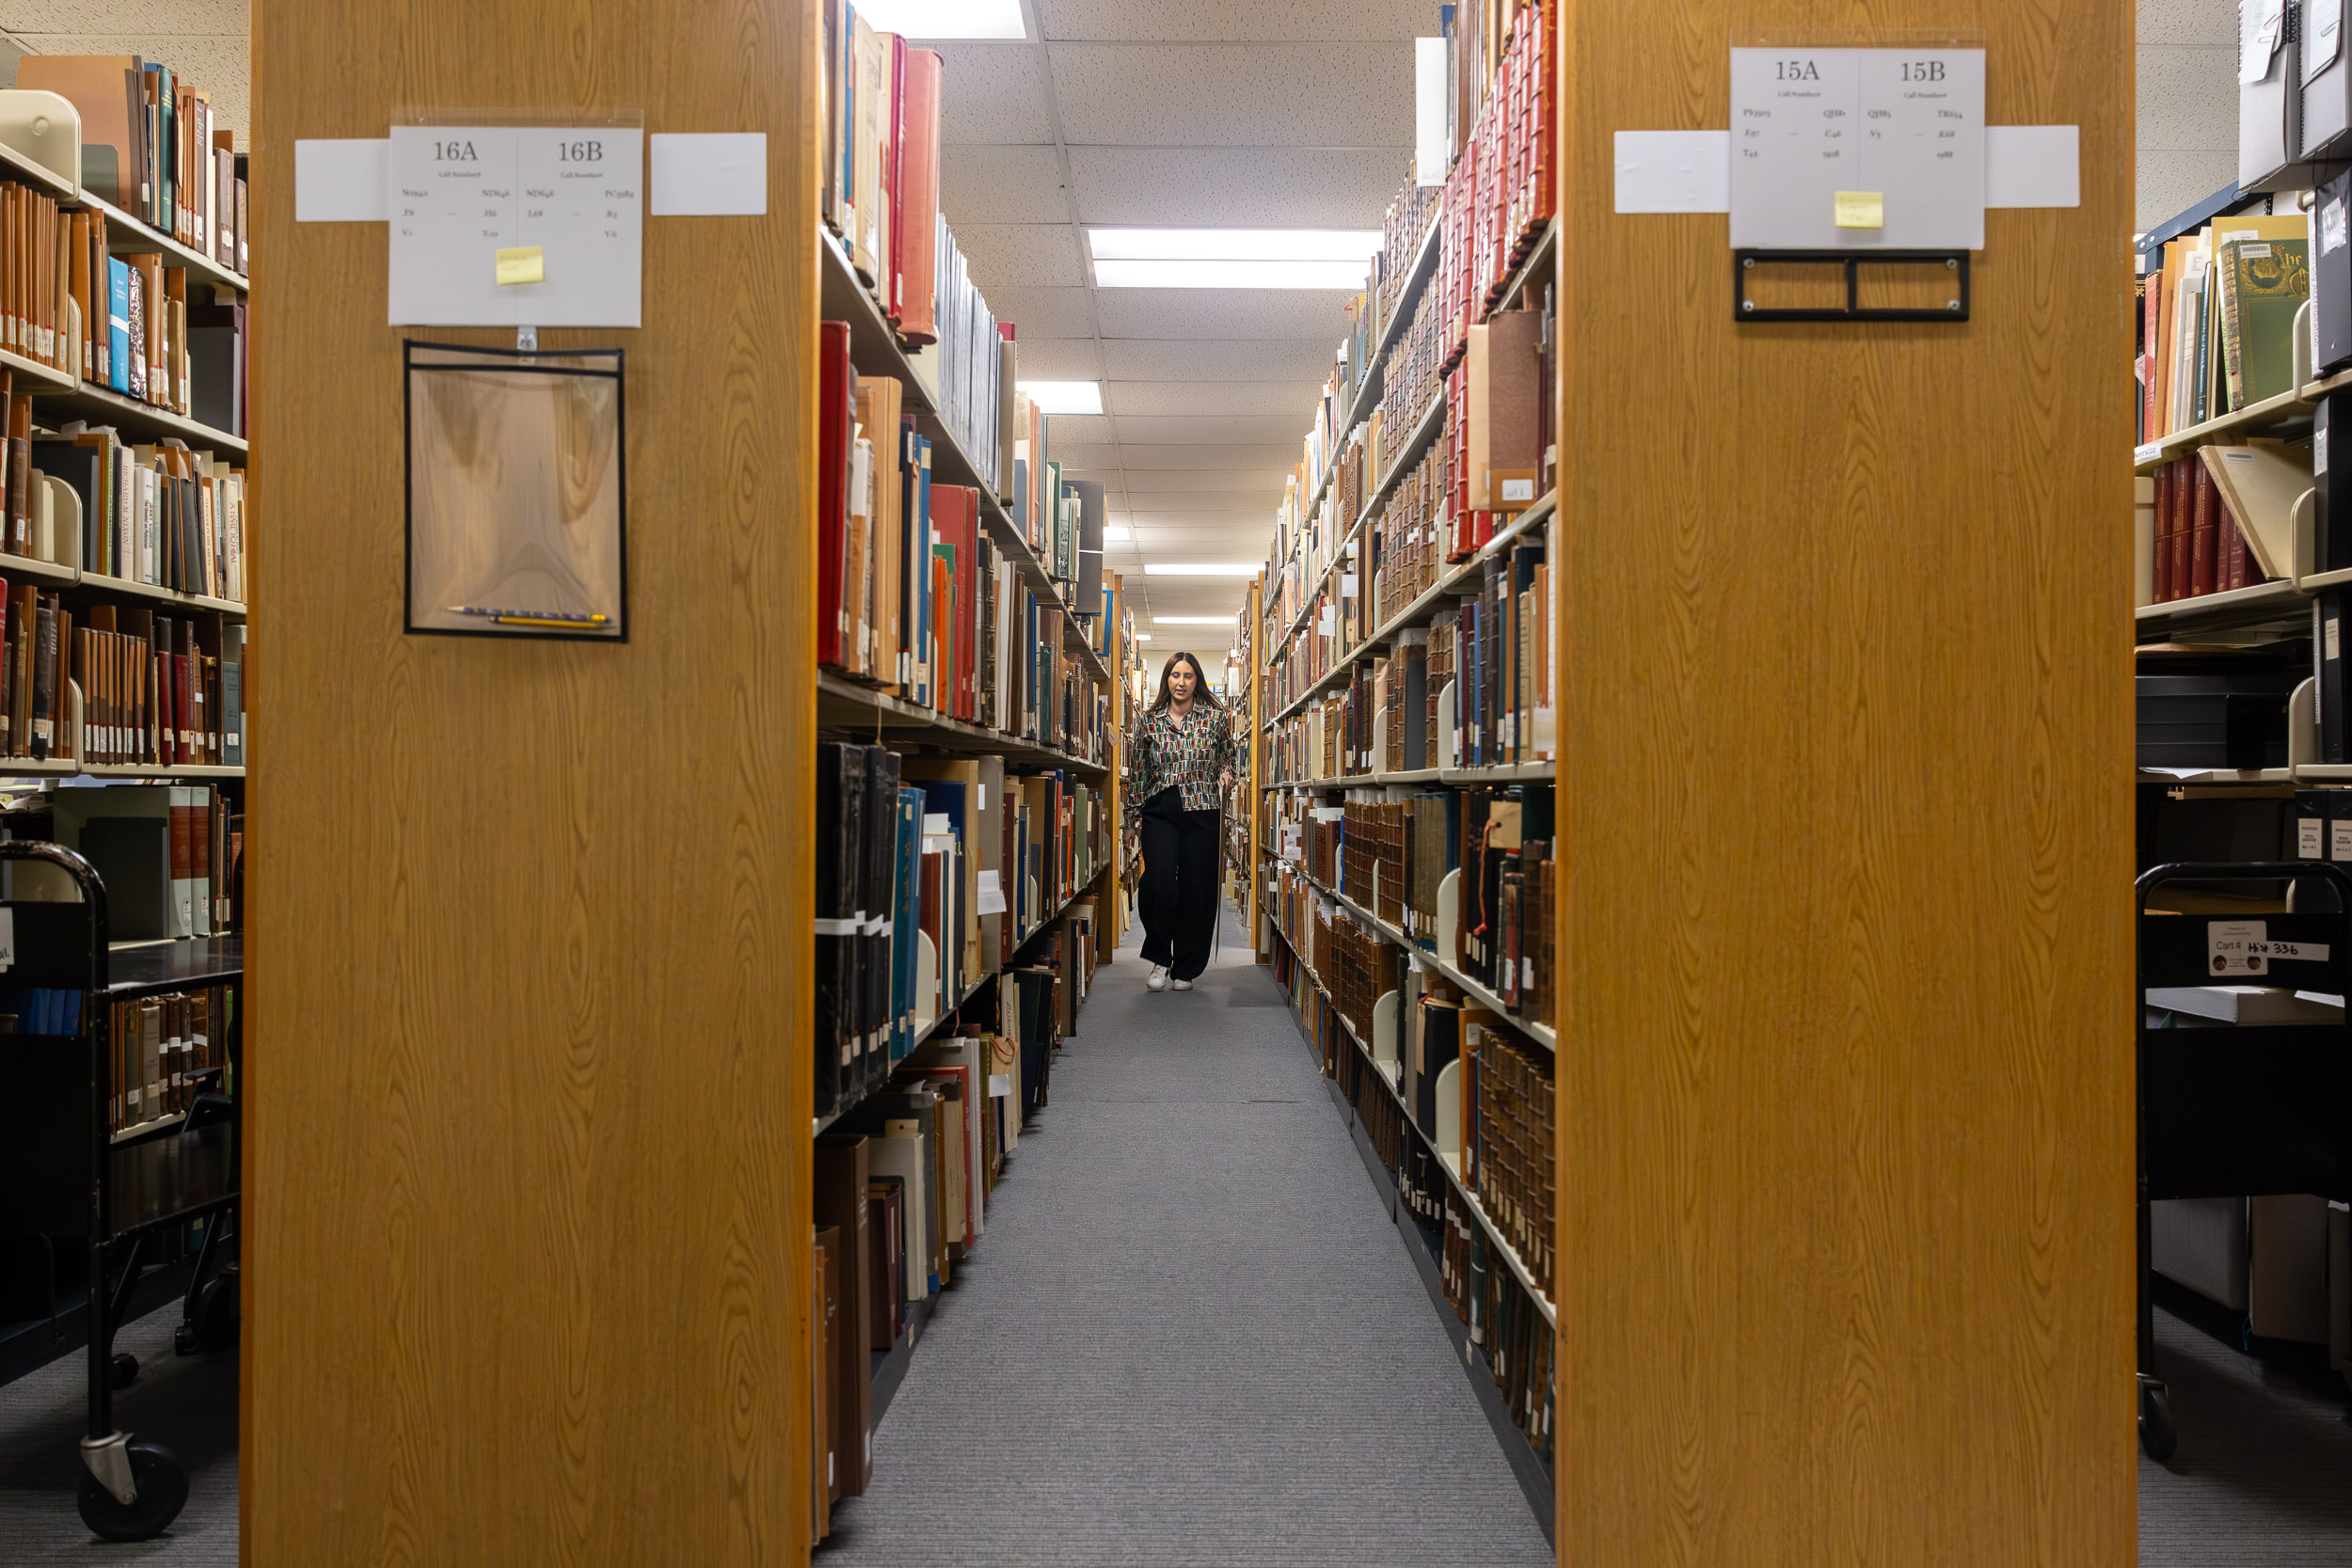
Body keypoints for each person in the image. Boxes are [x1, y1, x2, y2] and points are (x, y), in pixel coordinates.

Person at [1122, 650, 1242, 991]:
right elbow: (1141, 774)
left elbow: (1228, 758)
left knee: (1197, 889)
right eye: (1176, 675)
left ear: (1196, 681)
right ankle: (1161, 955)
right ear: (1167, 679)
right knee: (1158, 882)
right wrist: (1131, 819)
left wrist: (1226, 775)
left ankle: (1186, 966)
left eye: (1188, 676)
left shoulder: (1215, 718)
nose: (1181, 682)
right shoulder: (1149, 720)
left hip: (1203, 809)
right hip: (1160, 810)